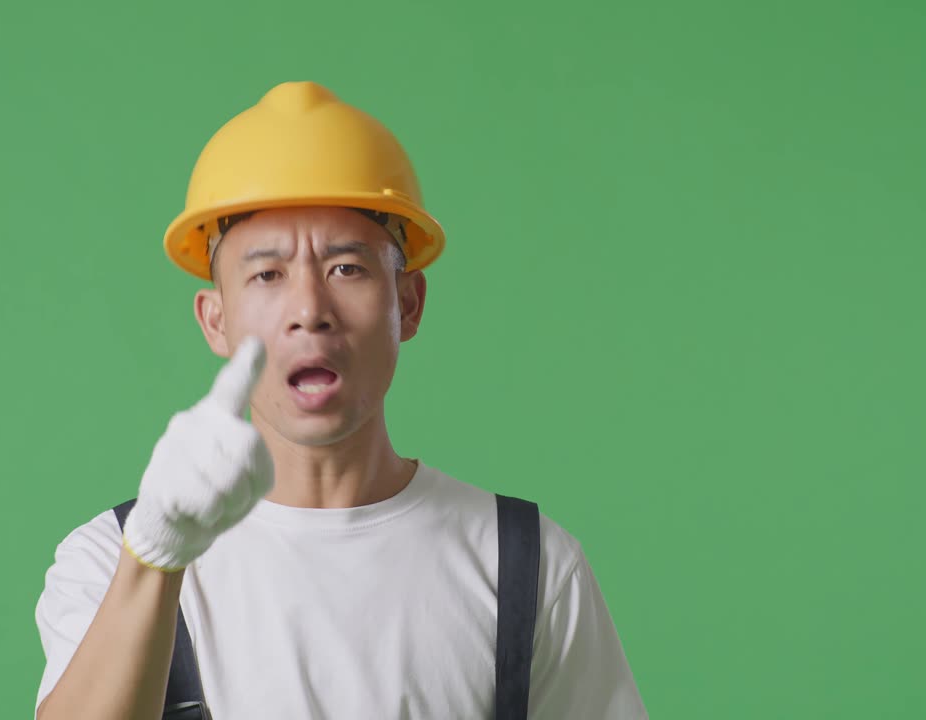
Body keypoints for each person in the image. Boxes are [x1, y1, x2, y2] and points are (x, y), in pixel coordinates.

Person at [33, 81, 647, 720]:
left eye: (346, 268)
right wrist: (155, 558)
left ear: (408, 303)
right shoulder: (108, 560)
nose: (309, 309)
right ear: (215, 321)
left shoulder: (528, 564)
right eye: (267, 274)